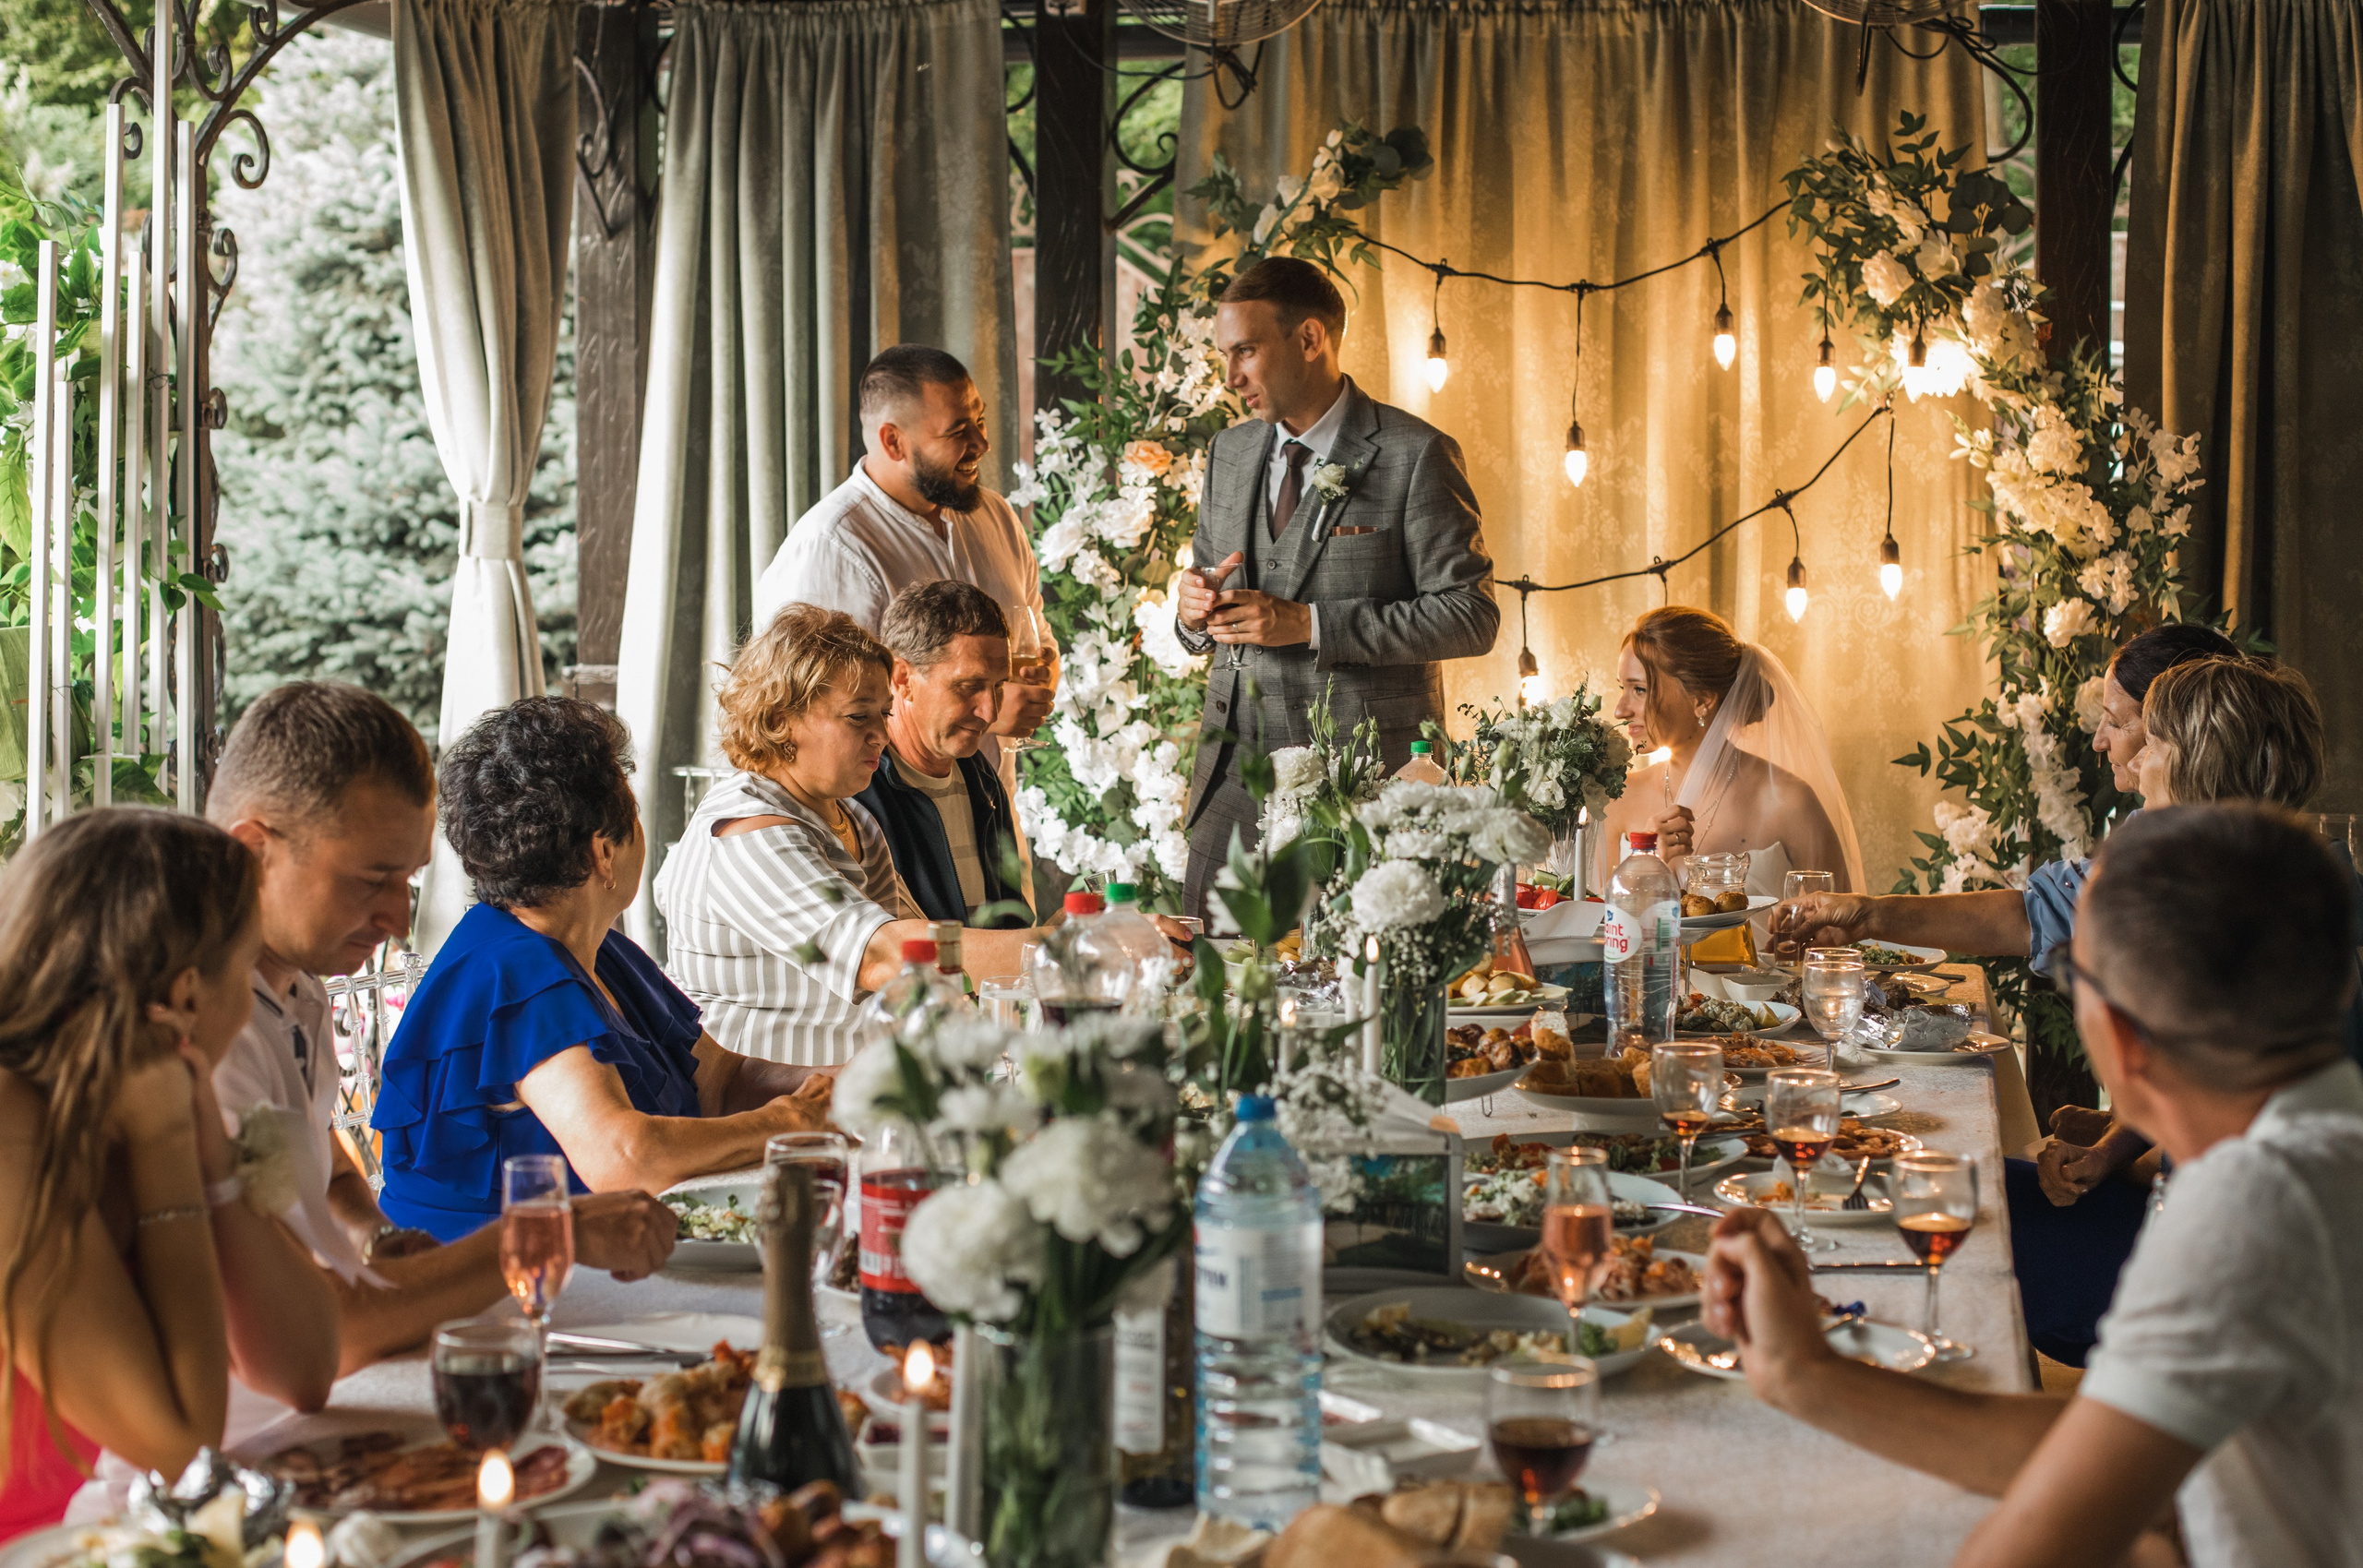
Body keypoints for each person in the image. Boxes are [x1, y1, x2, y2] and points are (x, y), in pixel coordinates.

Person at [1701, 804, 2363, 1568]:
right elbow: (2100, 1446)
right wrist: (1806, 1375)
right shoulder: (2320, 1146)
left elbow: (2036, 1541)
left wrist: (1801, 1375)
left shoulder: (2251, 1207)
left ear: (2115, 1038)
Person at [199, 683, 680, 1368]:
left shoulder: (295, 987)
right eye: (371, 880)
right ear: (255, 852)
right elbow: (326, 1335)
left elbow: (318, 1154)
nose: (398, 919)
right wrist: (554, 1229)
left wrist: (373, 1232)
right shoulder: (206, 1032)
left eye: (411, 882)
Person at [372, 697, 838, 1240]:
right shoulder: (513, 971)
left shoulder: (602, 953)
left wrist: (845, 1088)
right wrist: (787, 1121)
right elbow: (625, 1159)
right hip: (493, 1282)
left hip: (605, 1252)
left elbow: (720, 1081)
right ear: (604, 854)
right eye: (634, 816)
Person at [1174, 256, 1500, 921]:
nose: (1231, 377)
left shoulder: (1415, 453)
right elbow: (1207, 592)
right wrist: (1191, 612)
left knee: (1359, 994)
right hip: (1233, 780)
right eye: (1224, 355)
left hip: (1365, 781)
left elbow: (1472, 615)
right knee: (1209, 977)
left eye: (1245, 352)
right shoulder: (1229, 453)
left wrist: (1313, 625)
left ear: (1311, 338)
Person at [0, 811, 281, 1535]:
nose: (253, 1002)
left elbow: (301, 1359)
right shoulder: (11, 1120)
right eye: (249, 968)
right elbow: (182, 1445)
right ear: (188, 995)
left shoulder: (89, 1113)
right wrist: (164, 1140)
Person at [658, 606, 1080, 1064]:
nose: (881, 734)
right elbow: (886, 957)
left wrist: (1055, 938)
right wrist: (1066, 951)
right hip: (767, 1112)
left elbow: (936, 953)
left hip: (861, 1092)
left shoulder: (851, 820)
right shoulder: (747, 831)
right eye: (859, 717)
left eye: (883, 713)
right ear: (781, 720)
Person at [750, 344, 1054, 905]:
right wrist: (987, 709)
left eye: (981, 422)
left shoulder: (996, 517)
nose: (981, 445)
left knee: (1010, 973)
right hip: (887, 833)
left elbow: (1036, 638)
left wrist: (1027, 686)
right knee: (936, 978)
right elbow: (807, 717)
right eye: (958, 431)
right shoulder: (832, 548)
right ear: (893, 440)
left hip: (993, 811)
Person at [1768, 622, 2244, 971]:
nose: (2100, 742)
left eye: (2117, 723)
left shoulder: (2242, 868)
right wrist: (1868, 915)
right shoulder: (2152, 830)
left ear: (2189, 729)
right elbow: (2040, 914)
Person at [1596, 604, 1862, 895]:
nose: (1620, 710)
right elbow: (1596, 932)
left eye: (1639, 690)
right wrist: (1649, 863)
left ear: (1702, 700)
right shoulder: (1618, 798)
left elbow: (1837, 928)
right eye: (1622, 688)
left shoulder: (1789, 801)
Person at [852, 581, 1032, 928]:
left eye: (998, 687)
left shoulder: (980, 774)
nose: (991, 713)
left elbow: (1012, 926)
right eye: (969, 687)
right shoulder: (858, 786)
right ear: (902, 679)